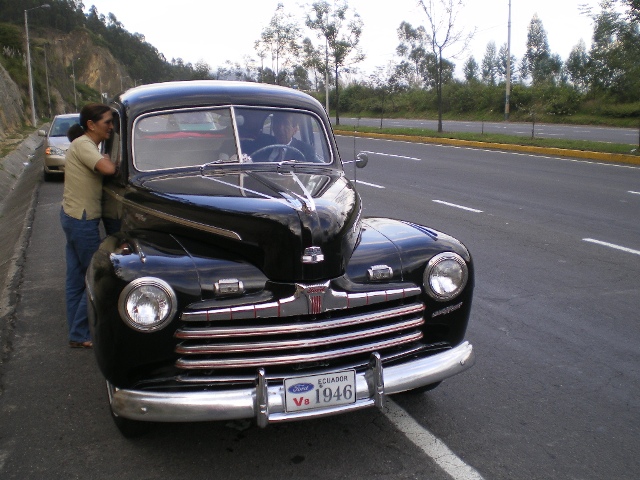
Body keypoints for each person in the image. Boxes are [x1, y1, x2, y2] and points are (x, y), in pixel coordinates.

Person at [60, 103, 117, 349]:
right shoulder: (84, 144)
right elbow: (108, 169)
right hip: (82, 219)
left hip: (72, 216)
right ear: (91, 125)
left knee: (76, 279)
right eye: (107, 122)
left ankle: (78, 332)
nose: (111, 127)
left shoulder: (85, 145)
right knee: (96, 276)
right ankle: (81, 332)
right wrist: (108, 159)